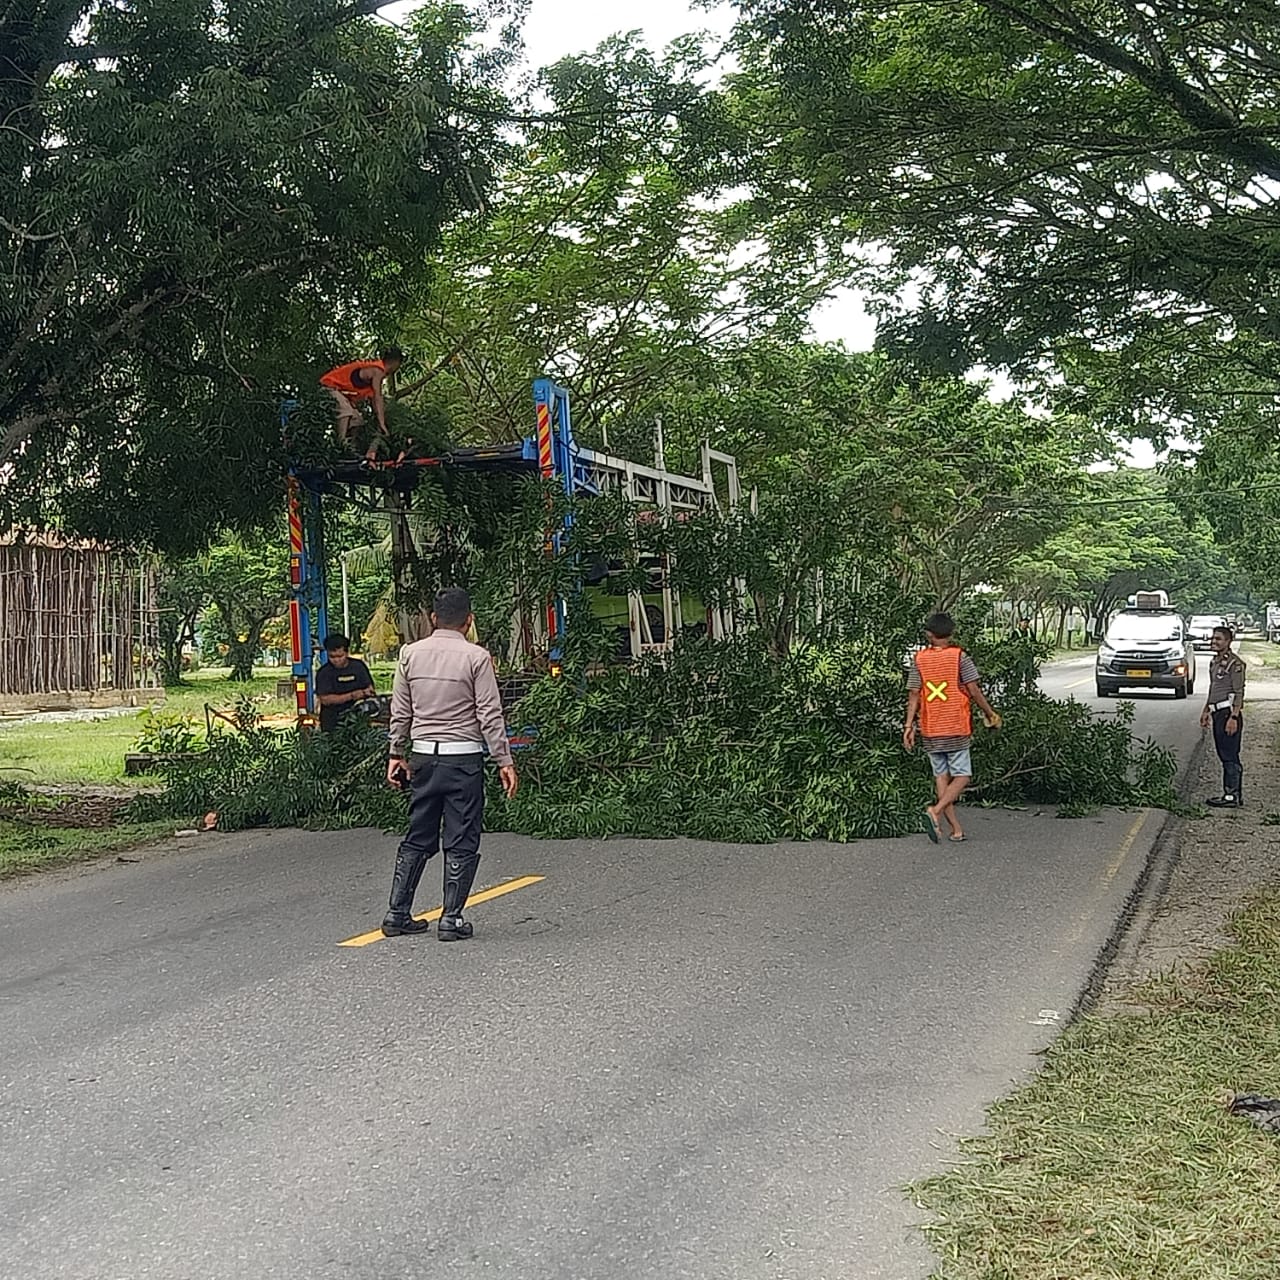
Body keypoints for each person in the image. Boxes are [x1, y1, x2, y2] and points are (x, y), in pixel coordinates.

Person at [383, 587, 519, 941]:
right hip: (464, 760)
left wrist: (396, 754)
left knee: (419, 833)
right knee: (461, 836)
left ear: (432, 618)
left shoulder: (410, 654)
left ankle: (397, 913)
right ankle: (451, 918)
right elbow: (489, 713)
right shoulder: (476, 657)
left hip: (424, 757)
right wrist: (504, 759)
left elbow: (400, 711)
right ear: (469, 620)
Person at [903, 612, 1002, 843]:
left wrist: (909, 726)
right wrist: (990, 713)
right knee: (963, 776)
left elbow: (913, 694)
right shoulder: (960, 657)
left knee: (941, 778)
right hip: (955, 725)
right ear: (951, 633)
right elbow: (974, 690)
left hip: (930, 727)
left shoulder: (919, 659)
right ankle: (935, 812)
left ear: (929, 634)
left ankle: (955, 829)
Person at [319, 347, 404, 461]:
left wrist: (380, 421)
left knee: (358, 420)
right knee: (345, 410)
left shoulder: (377, 375)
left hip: (340, 392)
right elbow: (378, 397)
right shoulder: (377, 370)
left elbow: (374, 401)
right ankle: (340, 445)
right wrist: (382, 423)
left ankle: (351, 450)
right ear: (395, 363)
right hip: (328, 386)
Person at [1201, 624, 1246, 808]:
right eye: (1213, 638)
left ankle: (1232, 796)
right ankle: (1231, 794)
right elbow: (1214, 689)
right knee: (1223, 753)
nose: (1214, 642)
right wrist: (1206, 710)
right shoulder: (1215, 662)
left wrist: (1233, 717)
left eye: (1219, 639)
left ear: (1228, 642)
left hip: (1228, 713)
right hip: (1217, 712)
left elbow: (1238, 692)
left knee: (1229, 754)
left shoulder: (1235, 664)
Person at [314, 634, 377, 733]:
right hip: (333, 722)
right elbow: (325, 699)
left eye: (340, 656)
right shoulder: (324, 673)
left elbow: (370, 687)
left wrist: (367, 693)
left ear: (347, 653)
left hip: (358, 721)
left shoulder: (358, 667)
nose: (336, 660)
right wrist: (352, 695)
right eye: (332, 657)